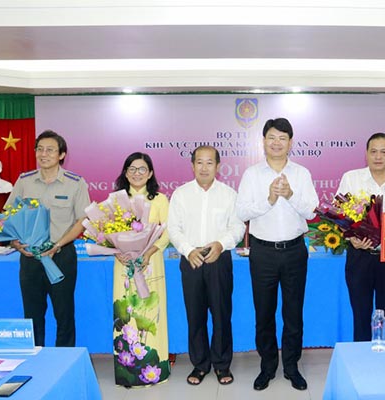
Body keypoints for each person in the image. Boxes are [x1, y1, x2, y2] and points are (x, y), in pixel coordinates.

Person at [236, 118, 318, 391]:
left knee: (293, 313)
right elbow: (242, 211)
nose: (276, 143)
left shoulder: (301, 174)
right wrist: (269, 199)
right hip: (263, 253)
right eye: (272, 137)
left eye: (282, 138)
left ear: (290, 142)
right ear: (263, 141)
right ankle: (268, 366)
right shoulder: (252, 174)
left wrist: (291, 195)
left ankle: (292, 367)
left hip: (294, 251)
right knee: (264, 313)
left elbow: (312, 212)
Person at [167, 146, 245, 386]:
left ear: (218, 166)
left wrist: (221, 245)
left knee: (221, 314)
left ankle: (222, 365)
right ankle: (200, 364)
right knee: (195, 315)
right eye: (199, 162)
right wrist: (188, 250)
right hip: (191, 258)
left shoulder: (229, 194)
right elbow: (173, 228)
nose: (204, 167)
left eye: (209, 162)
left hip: (218, 259)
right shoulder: (180, 194)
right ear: (192, 166)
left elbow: (238, 227)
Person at [6, 130, 90, 347]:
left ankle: (65, 360)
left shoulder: (75, 183)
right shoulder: (24, 181)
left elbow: (82, 220)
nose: (44, 154)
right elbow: (8, 215)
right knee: (32, 314)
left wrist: (57, 245)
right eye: (40, 149)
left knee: (64, 314)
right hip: (30, 257)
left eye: (50, 150)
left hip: (61, 255)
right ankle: (36, 359)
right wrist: (15, 242)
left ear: (62, 155)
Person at [336, 132, 385, 342]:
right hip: (359, 257)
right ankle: (361, 359)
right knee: (360, 315)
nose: (378, 157)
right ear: (366, 154)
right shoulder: (351, 179)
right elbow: (339, 215)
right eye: (373, 151)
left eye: (383, 152)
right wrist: (351, 238)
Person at [112, 152, 171, 386]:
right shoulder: (115, 199)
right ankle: (127, 370)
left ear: (150, 173)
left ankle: (155, 371)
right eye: (132, 169)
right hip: (123, 265)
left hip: (150, 262)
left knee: (150, 313)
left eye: (142, 169)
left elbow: (167, 232)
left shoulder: (160, 200)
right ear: (126, 173)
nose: (137, 173)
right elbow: (106, 232)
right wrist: (117, 251)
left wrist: (148, 253)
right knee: (125, 312)